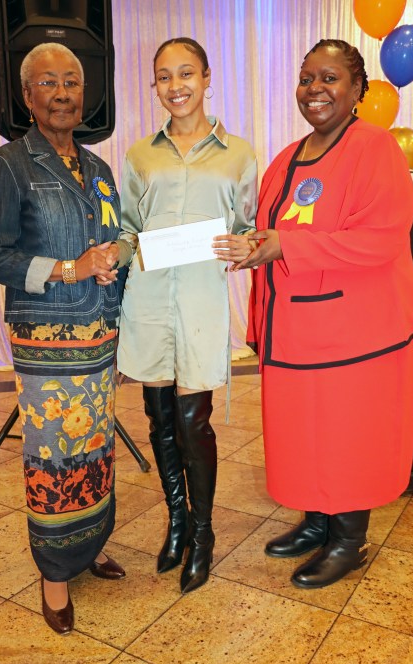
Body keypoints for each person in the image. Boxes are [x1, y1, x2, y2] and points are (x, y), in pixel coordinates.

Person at [216, 39, 413, 589]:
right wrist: (254, 255)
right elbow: (273, 235)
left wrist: (283, 246)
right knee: (305, 433)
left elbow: (379, 240)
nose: (315, 90)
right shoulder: (286, 158)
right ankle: (316, 521)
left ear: (357, 90)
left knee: (346, 434)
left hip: (354, 333)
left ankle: (349, 540)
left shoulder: (375, 149)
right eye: (308, 78)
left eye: (330, 78)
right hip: (294, 332)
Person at [0, 43, 132, 634]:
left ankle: (87, 549)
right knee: (53, 454)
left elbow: (113, 240)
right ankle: (54, 573)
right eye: (49, 82)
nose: (64, 92)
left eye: (73, 81)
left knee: (95, 448)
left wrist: (118, 257)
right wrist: (69, 267)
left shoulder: (98, 170)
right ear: (27, 96)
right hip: (46, 339)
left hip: (99, 333)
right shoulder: (9, 164)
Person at [117, 37, 257, 594]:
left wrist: (245, 245)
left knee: (194, 422)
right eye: (163, 77)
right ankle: (175, 521)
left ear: (206, 78)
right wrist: (114, 255)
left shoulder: (239, 154)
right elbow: (128, 229)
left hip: (199, 306)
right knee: (158, 418)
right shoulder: (138, 156)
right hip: (149, 304)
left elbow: (247, 227)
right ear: (154, 85)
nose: (175, 86)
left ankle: (203, 534)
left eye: (186, 74)